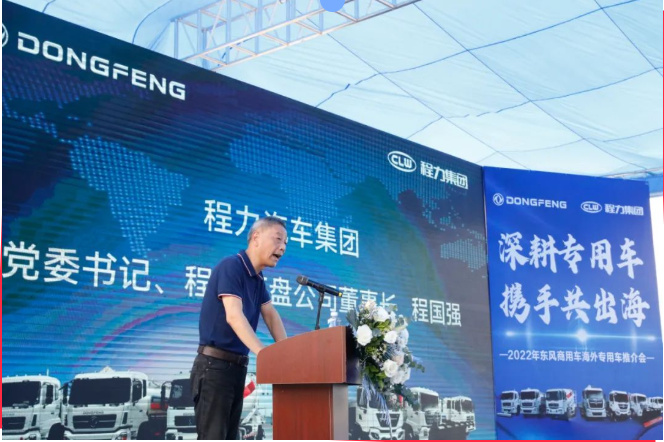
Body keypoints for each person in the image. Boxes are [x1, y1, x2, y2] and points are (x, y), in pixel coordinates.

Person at [191, 216, 288, 440]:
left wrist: (287, 353)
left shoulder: (258, 279)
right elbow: (234, 316)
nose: (282, 247)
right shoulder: (232, 266)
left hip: (236, 369)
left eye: (285, 243)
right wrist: (265, 354)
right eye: (277, 239)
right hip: (214, 368)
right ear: (256, 237)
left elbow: (270, 315)